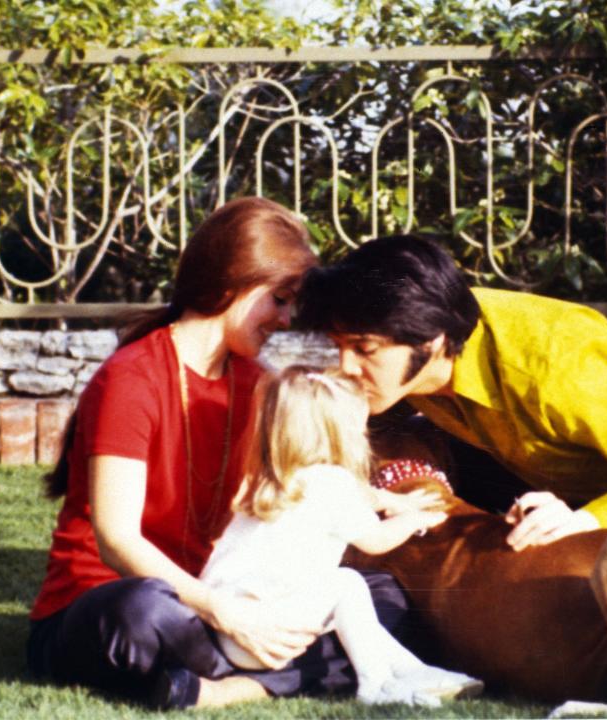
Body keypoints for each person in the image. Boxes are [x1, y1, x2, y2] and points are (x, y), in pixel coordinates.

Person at [26, 198, 415, 710]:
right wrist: (223, 612)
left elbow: (308, 478)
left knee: (378, 596)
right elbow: (116, 542)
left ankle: (221, 687)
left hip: (218, 612)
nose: (285, 318)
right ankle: (271, 675)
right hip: (121, 606)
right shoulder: (132, 378)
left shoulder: (257, 383)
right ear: (234, 283)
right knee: (141, 611)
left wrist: (396, 499)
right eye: (279, 298)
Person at [295, 234, 607, 549]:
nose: (345, 367)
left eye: (363, 349)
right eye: (339, 348)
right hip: (538, 469)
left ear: (429, 342)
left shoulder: (553, 360)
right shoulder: (407, 361)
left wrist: (586, 521)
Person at [200, 365, 484, 706]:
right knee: (346, 585)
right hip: (270, 634)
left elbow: (365, 497)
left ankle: (417, 672)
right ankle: (375, 686)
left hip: (227, 627)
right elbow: (376, 539)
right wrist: (415, 519)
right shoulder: (334, 483)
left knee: (352, 614)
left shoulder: (275, 480)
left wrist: (395, 500)